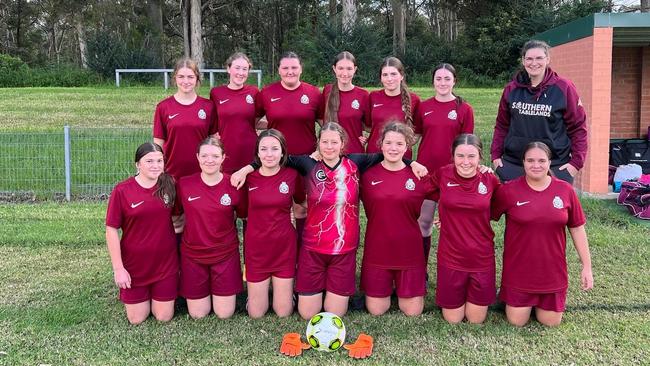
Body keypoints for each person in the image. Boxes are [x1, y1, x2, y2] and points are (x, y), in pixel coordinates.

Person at [231, 122, 427, 320]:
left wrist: (413, 163)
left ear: (342, 144)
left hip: (344, 248)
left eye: (334, 142)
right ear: (318, 143)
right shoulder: (308, 164)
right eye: (324, 141)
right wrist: (247, 169)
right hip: (313, 247)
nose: (329, 146)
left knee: (334, 314)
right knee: (307, 314)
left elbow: (388, 155)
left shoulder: (356, 162)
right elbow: (275, 158)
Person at [492, 141, 593, 327]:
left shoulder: (565, 190)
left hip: (552, 274)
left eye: (541, 160)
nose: (536, 165)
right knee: (517, 322)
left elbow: (577, 228)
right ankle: (508, 294)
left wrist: (587, 267)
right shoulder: (509, 191)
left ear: (549, 162)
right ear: (523, 162)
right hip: (518, 273)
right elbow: (482, 212)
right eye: (530, 160)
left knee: (551, 323)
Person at [360, 122, 435, 317]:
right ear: (381, 145)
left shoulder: (419, 175)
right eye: (389, 143)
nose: (393, 148)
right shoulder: (367, 176)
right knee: (377, 310)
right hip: (378, 249)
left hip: (409, 250)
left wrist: (482, 172)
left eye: (399, 144)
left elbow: (451, 187)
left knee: (412, 312)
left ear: (407, 146)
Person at [491, 40, 587, 184]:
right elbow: (502, 126)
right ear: (523, 61)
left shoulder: (564, 88)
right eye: (529, 58)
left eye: (539, 58)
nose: (533, 63)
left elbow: (578, 127)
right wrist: (496, 157)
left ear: (547, 59)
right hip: (515, 165)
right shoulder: (511, 89)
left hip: (553, 166)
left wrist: (576, 164)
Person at [105, 142, 178, 324]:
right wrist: (118, 269)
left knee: (163, 317)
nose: (155, 165)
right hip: (135, 265)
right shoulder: (122, 190)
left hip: (165, 263)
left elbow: (180, 216)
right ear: (137, 164)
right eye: (149, 161)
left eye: (159, 161)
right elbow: (111, 229)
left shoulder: (169, 185)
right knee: (136, 319)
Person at [174, 137, 246, 319]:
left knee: (224, 314)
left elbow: (243, 215)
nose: (209, 160)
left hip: (225, 255)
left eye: (215, 156)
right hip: (193, 255)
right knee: (198, 314)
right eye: (204, 155)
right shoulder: (184, 184)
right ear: (197, 157)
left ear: (223, 158)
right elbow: (176, 217)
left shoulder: (234, 184)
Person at [431, 134, 499, 324]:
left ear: (480, 157)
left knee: (475, 320)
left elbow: (502, 208)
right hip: (451, 256)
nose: (466, 162)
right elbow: (419, 192)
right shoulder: (443, 174)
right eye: (460, 156)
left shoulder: (490, 180)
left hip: (481, 257)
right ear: (452, 156)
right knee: (453, 319)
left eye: (471, 156)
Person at [255, 51, 322, 244]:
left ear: (301, 69)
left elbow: (323, 124)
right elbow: (253, 121)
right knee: (278, 206)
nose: (290, 71)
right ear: (279, 70)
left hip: (306, 158)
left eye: (294, 67)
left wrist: (319, 149)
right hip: (276, 160)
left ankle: (302, 254)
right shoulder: (267, 93)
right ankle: (281, 250)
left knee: (302, 206)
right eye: (285, 68)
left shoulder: (313, 93)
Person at [415, 63, 475, 269]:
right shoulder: (423, 107)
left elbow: (469, 145)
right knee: (424, 222)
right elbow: (414, 136)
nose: (442, 83)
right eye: (438, 79)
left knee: (454, 226)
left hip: (454, 174)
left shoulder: (464, 109)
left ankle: (453, 270)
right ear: (433, 81)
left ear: (454, 81)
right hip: (427, 173)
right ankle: (420, 271)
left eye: (447, 79)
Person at [244, 129, 306, 318]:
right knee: (256, 313)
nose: (269, 154)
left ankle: (289, 295)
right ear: (257, 153)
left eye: (274, 148)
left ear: (282, 152)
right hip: (257, 247)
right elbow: (240, 212)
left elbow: (301, 204)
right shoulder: (247, 178)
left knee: (283, 312)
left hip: (284, 246)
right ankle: (253, 297)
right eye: (264, 149)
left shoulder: (292, 176)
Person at [153, 57, 218, 180]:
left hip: (202, 173)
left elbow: (214, 141)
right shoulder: (163, 107)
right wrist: (158, 169)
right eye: (181, 77)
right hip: (171, 174)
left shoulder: (208, 106)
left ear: (197, 79)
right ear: (175, 78)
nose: (186, 81)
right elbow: (158, 145)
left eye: (190, 77)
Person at [209, 52, 260, 175]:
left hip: (250, 150)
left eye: (245, 69)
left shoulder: (254, 92)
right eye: (237, 68)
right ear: (228, 69)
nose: (241, 73)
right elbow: (212, 122)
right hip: (226, 150)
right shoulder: (216, 93)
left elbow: (257, 120)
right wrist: (213, 137)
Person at [366, 56, 420, 159]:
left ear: (402, 76)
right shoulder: (373, 96)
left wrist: (401, 145)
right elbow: (367, 125)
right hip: (374, 155)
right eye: (385, 75)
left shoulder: (414, 99)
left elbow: (418, 131)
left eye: (393, 74)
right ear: (381, 78)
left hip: (400, 157)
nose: (389, 79)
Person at [320, 51, 369, 154]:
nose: (345, 73)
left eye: (349, 69)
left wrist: (367, 139)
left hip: (355, 154)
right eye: (341, 68)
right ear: (334, 69)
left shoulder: (363, 95)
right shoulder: (327, 91)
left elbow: (369, 126)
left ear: (355, 69)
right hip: (330, 153)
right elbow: (321, 119)